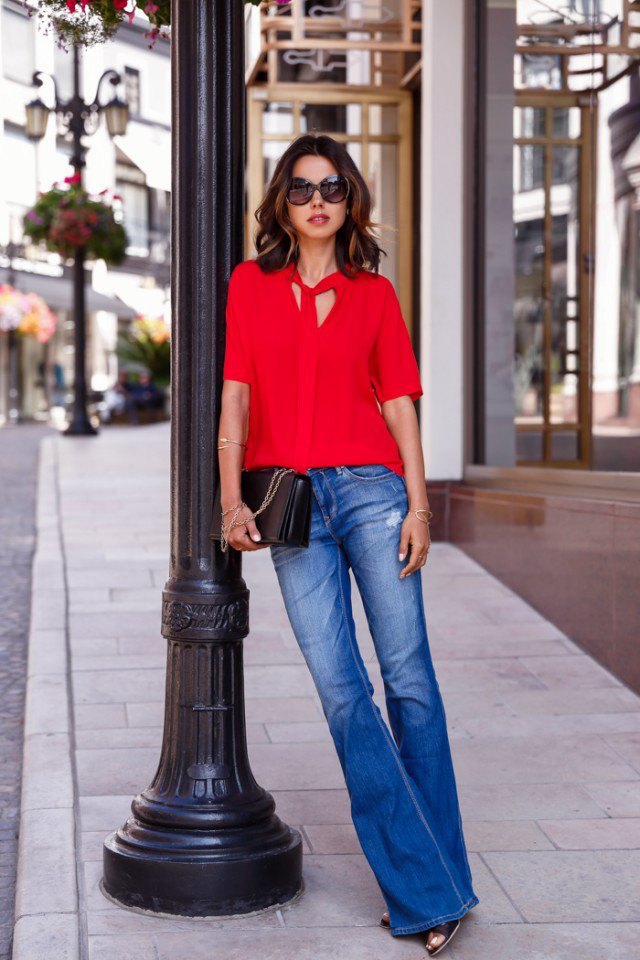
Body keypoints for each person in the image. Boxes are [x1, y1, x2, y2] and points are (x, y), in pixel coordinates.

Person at [217, 134, 479, 955]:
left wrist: (420, 505)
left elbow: (400, 404)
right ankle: (436, 887)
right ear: (282, 206)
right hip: (289, 503)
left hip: (371, 492)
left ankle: (431, 890)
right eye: (301, 189)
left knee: (410, 682)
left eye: (331, 187)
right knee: (342, 691)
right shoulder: (249, 287)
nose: (318, 200)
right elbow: (233, 402)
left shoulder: (375, 294)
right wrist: (230, 502)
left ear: (350, 199)